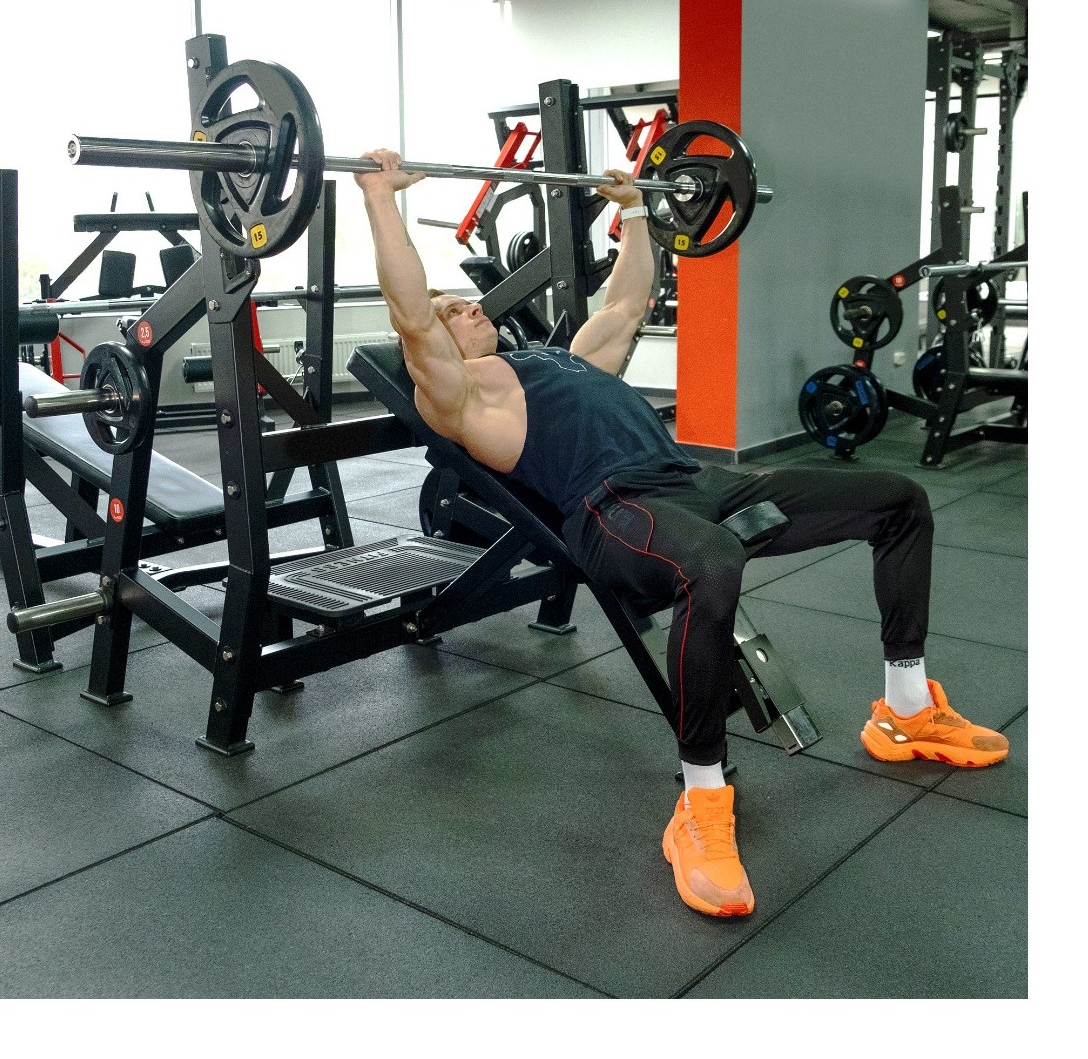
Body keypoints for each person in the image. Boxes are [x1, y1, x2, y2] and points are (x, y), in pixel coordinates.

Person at [354, 149, 1009, 920]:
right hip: (616, 513)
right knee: (712, 563)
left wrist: (634, 208)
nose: (469, 308)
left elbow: (628, 303)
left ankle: (905, 706)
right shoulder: (463, 396)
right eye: (453, 309)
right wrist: (380, 198)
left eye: (467, 303)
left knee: (898, 500)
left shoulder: (561, 360)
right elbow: (410, 317)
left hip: (696, 484)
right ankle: (701, 800)